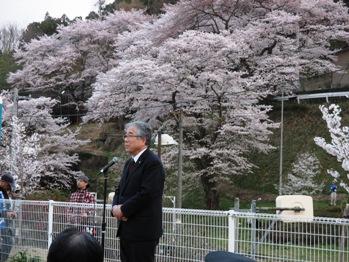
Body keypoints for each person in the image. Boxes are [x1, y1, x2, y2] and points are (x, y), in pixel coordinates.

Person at [112, 121, 165, 262]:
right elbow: (119, 189)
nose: (125, 139)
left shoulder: (152, 163)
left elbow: (146, 194)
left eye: (130, 135)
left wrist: (123, 209)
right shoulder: (129, 163)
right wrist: (115, 208)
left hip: (143, 231)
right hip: (126, 228)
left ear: (143, 139)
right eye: (125, 135)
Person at [0, 172, 16, 262]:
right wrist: (6, 214)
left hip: (3, 224)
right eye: (8, 185)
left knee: (8, 242)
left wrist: (11, 212)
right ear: (2, 182)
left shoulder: (4, 192)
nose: (9, 188)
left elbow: (5, 207)